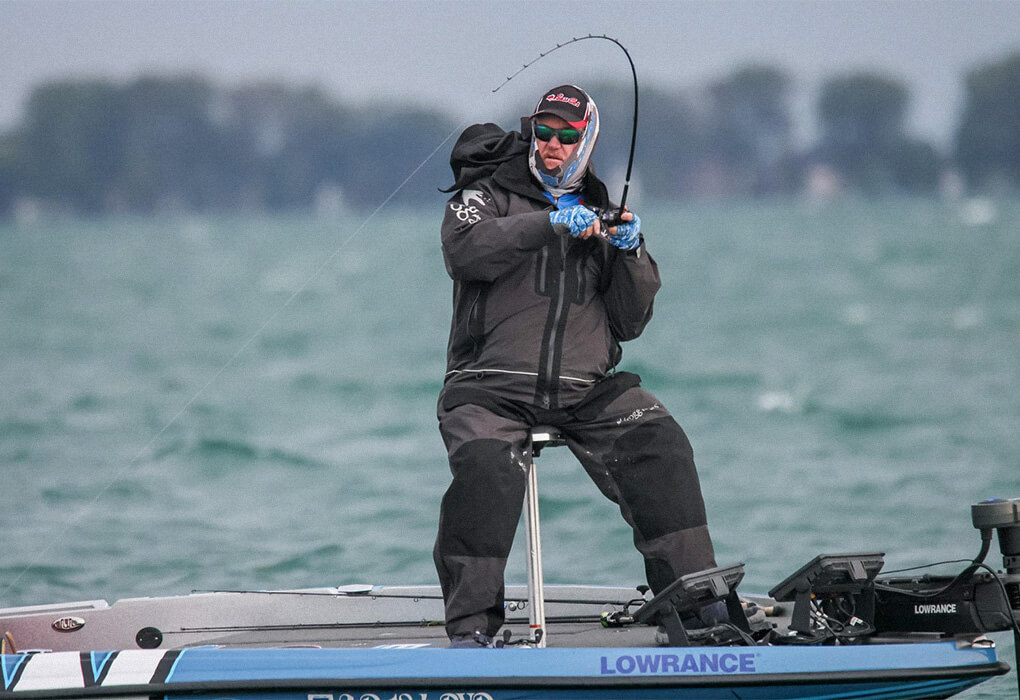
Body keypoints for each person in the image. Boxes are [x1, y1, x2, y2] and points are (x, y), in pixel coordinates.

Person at [434, 85, 720, 648]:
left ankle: (695, 611)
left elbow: (630, 322)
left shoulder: (599, 209)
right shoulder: (484, 196)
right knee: (488, 471)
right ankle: (471, 630)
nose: (552, 146)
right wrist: (549, 224)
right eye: (543, 133)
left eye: (566, 137)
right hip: (487, 387)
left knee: (662, 445)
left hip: (585, 389)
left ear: (585, 141)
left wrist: (632, 252)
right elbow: (464, 251)